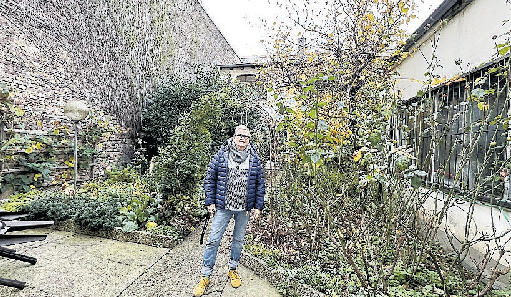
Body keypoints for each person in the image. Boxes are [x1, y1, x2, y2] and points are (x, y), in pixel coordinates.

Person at [193, 125, 265, 297]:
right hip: (223, 207)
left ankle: (233, 269)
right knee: (213, 241)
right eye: (239, 135)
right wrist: (210, 202)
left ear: (249, 139)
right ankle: (205, 276)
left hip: (243, 209)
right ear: (233, 137)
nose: (242, 138)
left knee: (238, 241)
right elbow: (209, 178)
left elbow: (260, 184)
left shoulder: (254, 159)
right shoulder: (221, 155)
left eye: (245, 136)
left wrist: (257, 206)